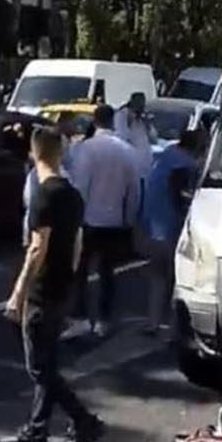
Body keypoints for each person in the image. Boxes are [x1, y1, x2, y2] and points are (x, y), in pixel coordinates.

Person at [5, 128, 104, 442]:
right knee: (47, 361)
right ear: (60, 154)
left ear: (34, 154)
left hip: (43, 287)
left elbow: (37, 247)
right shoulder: (73, 195)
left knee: (39, 367)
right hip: (64, 285)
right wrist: (72, 274)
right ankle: (36, 430)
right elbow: (77, 242)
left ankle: (83, 418)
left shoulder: (44, 195)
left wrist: (19, 290)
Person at [67, 103, 141, 337]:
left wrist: (75, 218)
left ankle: (79, 316)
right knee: (107, 272)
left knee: (80, 270)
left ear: (95, 120)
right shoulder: (127, 151)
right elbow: (134, 190)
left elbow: (80, 186)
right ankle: (104, 318)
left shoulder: (85, 149)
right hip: (114, 220)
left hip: (88, 218)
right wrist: (129, 218)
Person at [140, 127, 202, 334]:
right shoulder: (185, 165)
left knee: (157, 277)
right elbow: (182, 196)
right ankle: (174, 327)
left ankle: (153, 322)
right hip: (172, 229)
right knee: (178, 279)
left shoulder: (165, 156)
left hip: (153, 226)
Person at [119, 91, 156, 175]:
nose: (141, 105)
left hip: (145, 163)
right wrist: (130, 121)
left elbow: (154, 139)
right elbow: (122, 136)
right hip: (130, 162)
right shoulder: (123, 115)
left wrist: (148, 124)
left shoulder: (143, 117)